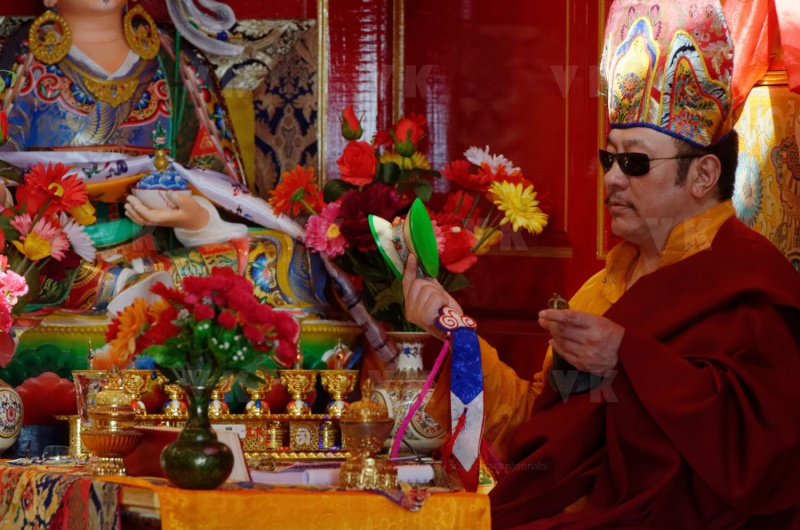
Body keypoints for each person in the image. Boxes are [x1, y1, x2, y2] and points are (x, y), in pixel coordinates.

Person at [402, 0, 800, 527]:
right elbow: (541, 433)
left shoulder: (749, 283)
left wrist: (628, 359)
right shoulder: (604, 288)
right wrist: (453, 329)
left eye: (634, 163)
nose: (611, 179)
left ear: (704, 175)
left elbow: (765, 456)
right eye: (608, 159)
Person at [0, 0, 328, 315]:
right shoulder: (19, 64)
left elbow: (215, 181)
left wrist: (194, 220)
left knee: (287, 258)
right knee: (23, 272)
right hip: (55, 258)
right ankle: (133, 288)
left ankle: (134, 285)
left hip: (162, 253)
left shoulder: (177, 61)